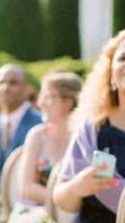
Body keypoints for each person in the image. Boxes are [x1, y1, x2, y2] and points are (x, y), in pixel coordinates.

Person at [42, 31, 125, 223]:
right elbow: (61, 197)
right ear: (111, 75)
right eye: (123, 58)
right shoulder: (93, 129)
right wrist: (78, 185)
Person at [17, 72, 82, 209]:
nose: (40, 103)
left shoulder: (84, 138)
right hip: (36, 212)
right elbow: (25, 187)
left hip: (73, 215)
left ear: (68, 102)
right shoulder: (37, 136)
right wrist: (61, 199)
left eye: (48, 97)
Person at [0, 64, 42, 192]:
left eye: (13, 83)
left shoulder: (40, 124)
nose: (6, 88)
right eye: (1, 82)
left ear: (26, 89)